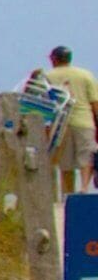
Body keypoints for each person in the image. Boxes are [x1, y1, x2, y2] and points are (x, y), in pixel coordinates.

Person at [46, 46, 98, 192]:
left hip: (60, 123)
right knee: (86, 157)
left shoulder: (48, 77)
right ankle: (84, 188)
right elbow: (94, 102)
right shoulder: (85, 75)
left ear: (54, 59)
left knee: (65, 161)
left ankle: (67, 192)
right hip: (84, 121)